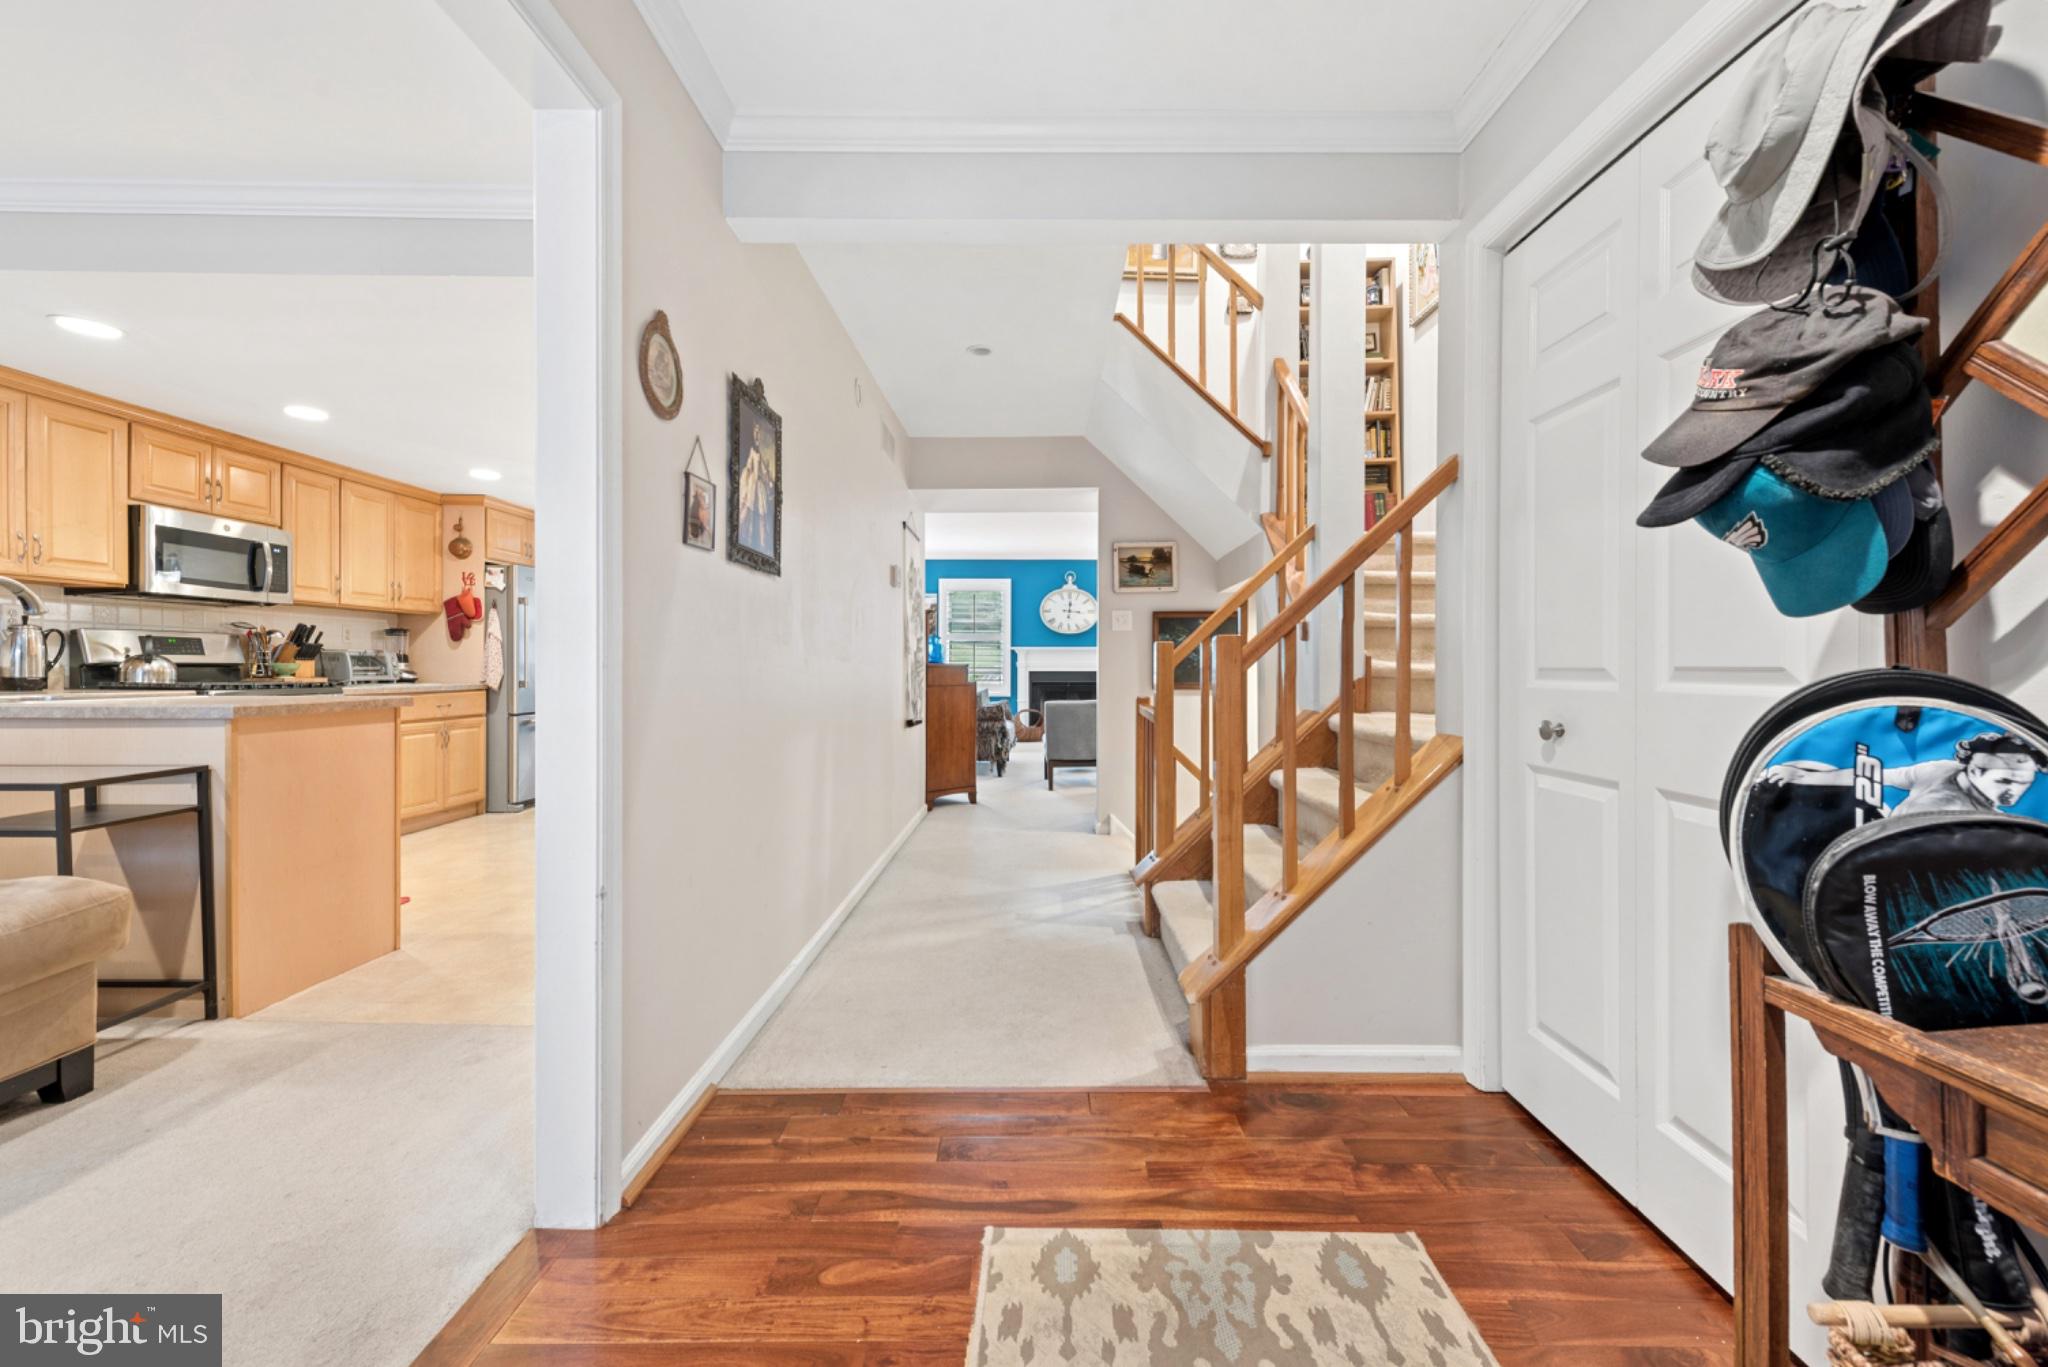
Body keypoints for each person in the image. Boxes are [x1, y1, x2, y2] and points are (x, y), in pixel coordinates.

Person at [1761, 730, 2046, 815]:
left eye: (2025, 783)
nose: (2014, 792)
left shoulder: (1995, 822)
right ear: (1974, 769)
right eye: (2006, 780)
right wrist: (1805, 777)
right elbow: (1874, 776)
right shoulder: (1940, 770)